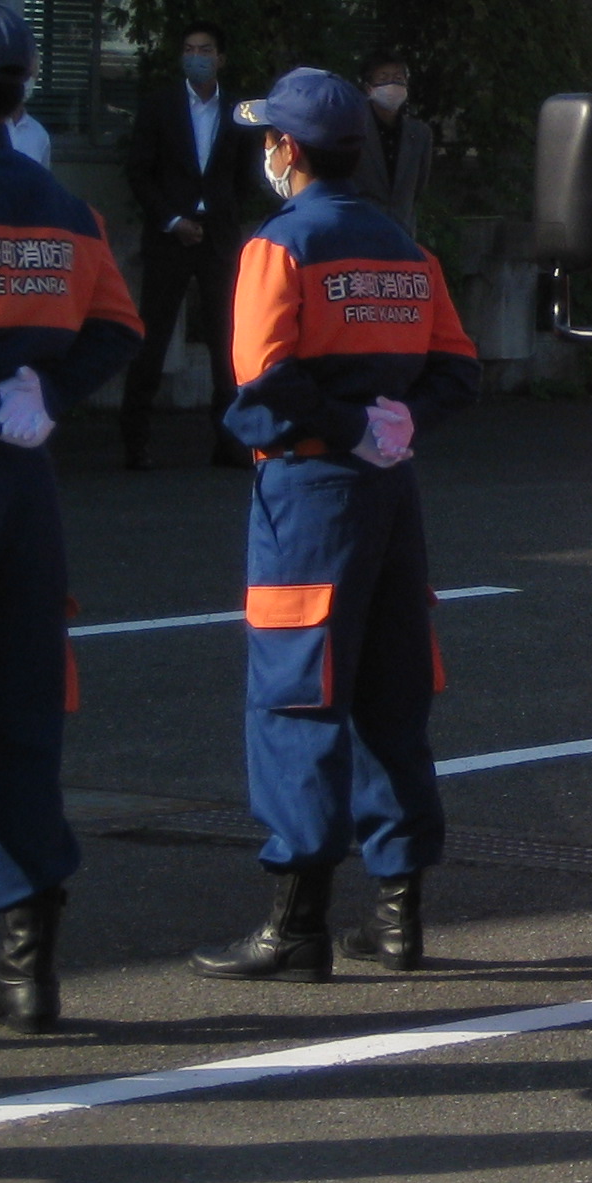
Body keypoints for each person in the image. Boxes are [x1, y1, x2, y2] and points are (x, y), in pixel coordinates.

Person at [189, 70, 478, 983]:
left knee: (298, 696)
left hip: (311, 493)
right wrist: (400, 422)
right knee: (393, 694)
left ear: (290, 151)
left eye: (271, 138)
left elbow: (260, 379)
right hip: (394, 494)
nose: (267, 150)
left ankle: (297, 924)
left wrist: (349, 425)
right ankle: (398, 918)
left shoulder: (279, 247)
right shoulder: (403, 246)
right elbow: (457, 367)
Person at [0, 0, 142, 1045]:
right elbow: (118, 327)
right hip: (25, 489)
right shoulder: (65, 209)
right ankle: (26, 972)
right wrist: (39, 401)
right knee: (19, 718)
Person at [120, 20, 247, 470]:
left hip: (218, 237)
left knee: (226, 341)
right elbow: (139, 170)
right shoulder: (160, 106)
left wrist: (226, 218)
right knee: (152, 337)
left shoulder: (236, 110)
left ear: (220, 58)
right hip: (169, 235)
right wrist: (172, 219)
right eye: (190, 49)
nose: (197, 56)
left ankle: (230, 442)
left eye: (206, 49)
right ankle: (135, 442)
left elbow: (246, 175)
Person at [358, 50, 432, 232]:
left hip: (402, 233)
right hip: (360, 231)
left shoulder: (420, 133)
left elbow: (419, 186)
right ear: (369, 87)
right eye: (383, 78)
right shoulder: (353, 128)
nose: (392, 83)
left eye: (398, 78)